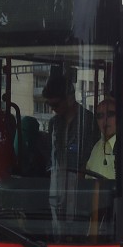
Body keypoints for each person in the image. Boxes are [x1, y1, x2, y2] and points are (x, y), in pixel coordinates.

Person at [43, 73, 96, 235]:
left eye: (56, 104)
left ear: (70, 98)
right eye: (49, 105)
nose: (53, 109)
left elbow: (91, 157)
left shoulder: (89, 121)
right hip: (57, 183)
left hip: (80, 185)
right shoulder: (53, 124)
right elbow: (51, 157)